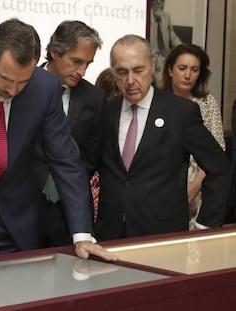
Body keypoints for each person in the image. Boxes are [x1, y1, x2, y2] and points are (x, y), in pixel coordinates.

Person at [0, 18, 117, 262]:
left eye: (23, 81)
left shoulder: (44, 88)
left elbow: (65, 161)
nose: (13, 90)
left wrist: (82, 235)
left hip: (18, 225)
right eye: (5, 79)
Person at [94, 34, 230, 241]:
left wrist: (206, 225)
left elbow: (219, 167)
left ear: (152, 66)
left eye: (138, 70)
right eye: (122, 72)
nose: (131, 81)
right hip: (110, 234)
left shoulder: (180, 113)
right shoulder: (107, 111)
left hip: (162, 235)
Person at [34, 20, 107, 247]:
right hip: (24, 204)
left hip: (69, 212)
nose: (82, 71)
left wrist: (65, 183)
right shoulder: (24, 86)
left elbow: (92, 156)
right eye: (76, 62)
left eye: (88, 64)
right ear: (55, 52)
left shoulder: (94, 98)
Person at [157, 43, 226, 230]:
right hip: (165, 185)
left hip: (201, 186)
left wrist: (194, 187)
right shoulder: (158, 101)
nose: (188, 75)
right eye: (182, 68)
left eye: (194, 70)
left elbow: (217, 153)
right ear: (170, 70)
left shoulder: (207, 103)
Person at [149, 0, 182, 82]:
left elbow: (172, 36)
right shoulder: (145, 16)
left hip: (166, 55)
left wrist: (184, 48)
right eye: (156, 0)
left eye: (162, 0)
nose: (159, 2)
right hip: (152, 56)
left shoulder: (166, 16)